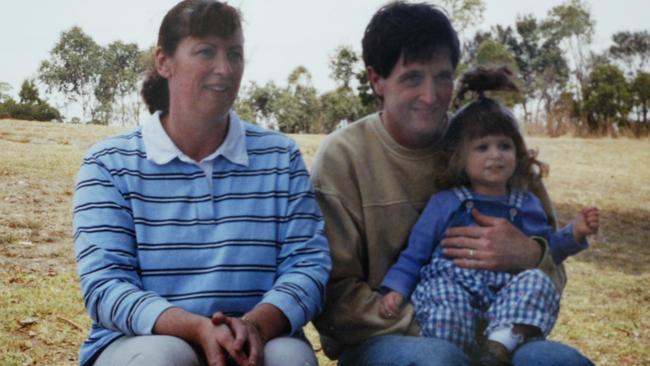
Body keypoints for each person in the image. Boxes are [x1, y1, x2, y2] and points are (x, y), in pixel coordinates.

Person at [311, 2, 594, 365]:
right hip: (390, 336)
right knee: (439, 360)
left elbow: (554, 270)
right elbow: (334, 296)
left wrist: (529, 255)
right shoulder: (342, 157)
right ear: (376, 80)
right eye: (412, 78)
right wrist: (446, 325)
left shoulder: (494, 143)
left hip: (502, 335)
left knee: (561, 363)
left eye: (443, 77)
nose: (431, 97)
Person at [72, 1, 330, 365]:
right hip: (142, 340)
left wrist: (254, 326)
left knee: (289, 358)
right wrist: (196, 329)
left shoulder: (280, 158)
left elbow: (307, 265)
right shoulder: (109, 164)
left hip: (257, 337)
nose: (224, 69)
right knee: (161, 359)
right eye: (206, 52)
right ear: (164, 62)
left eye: (235, 54)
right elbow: (105, 285)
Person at [378, 66, 600, 366]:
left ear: (518, 153)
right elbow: (415, 254)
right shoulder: (446, 203)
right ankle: (455, 353)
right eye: (482, 147)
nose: (495, 155)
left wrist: (575, 232)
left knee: (536, 280)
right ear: (459, 156)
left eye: (504, 146)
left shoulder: (528, 204)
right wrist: (395, 290)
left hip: (504, 299)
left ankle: (499, 347)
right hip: (454, 290)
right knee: (443, 297)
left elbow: (548, 251)